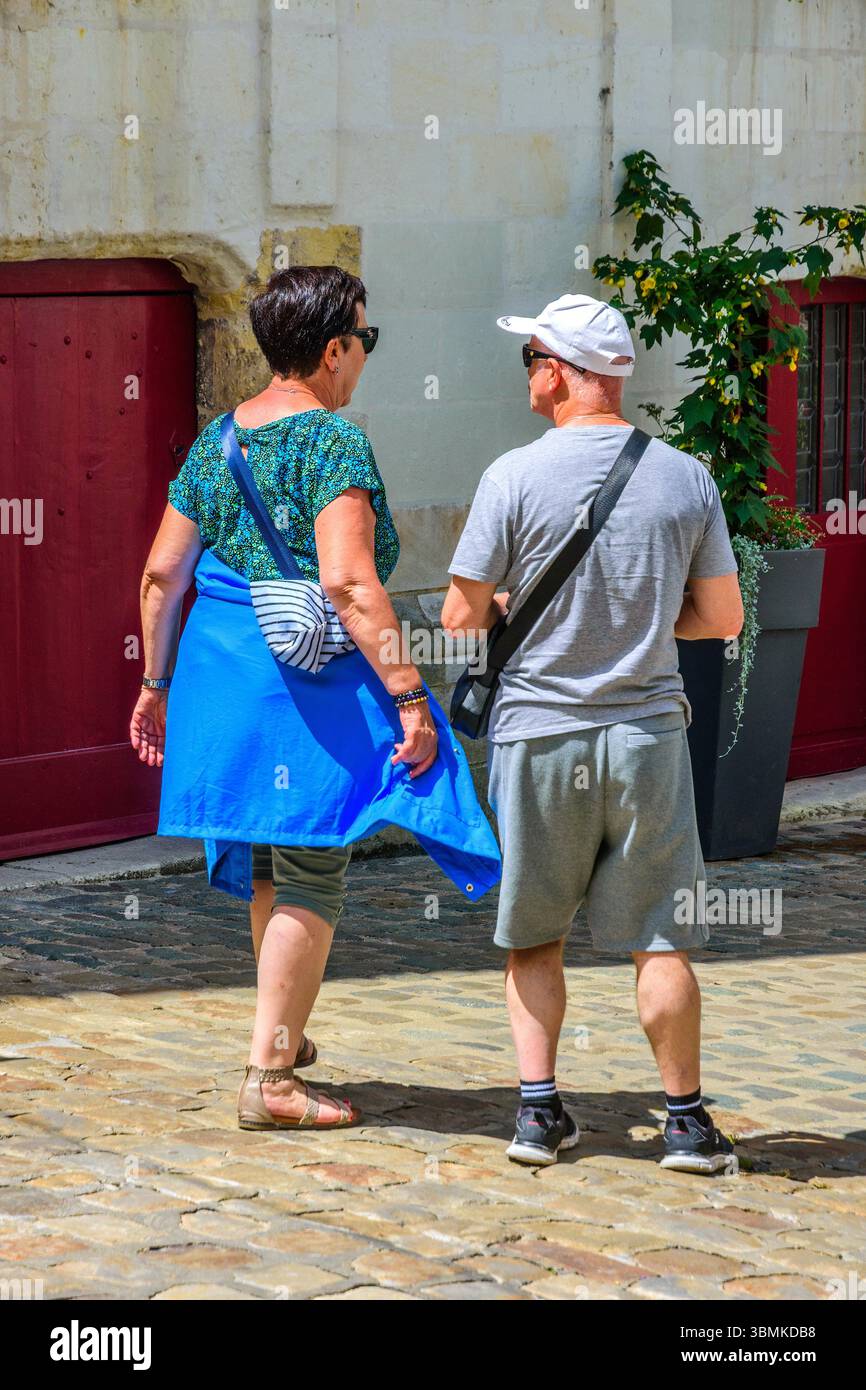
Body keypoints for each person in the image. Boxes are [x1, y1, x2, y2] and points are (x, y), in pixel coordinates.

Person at [130, 265, 501, 1133]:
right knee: (313, 867)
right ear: (333, 349)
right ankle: (270, 1081)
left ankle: (281, 1037)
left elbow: (160, 576)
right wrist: (410, 697)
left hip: (228, 677)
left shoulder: (215, 440)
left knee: (270, 857)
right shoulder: (333, 442)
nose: (364, 357)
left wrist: (155, 684)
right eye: (363, 341)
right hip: (308, 690)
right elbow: (349, 582)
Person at [441, 293, 743, 1171]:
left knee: (534, 934)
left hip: (538, 736)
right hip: (647, 735)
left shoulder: (512, 476)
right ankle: (684, 1122)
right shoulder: (684, 475)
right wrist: (645, 623)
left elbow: (461, 617)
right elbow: (721, 617)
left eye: (530, 357)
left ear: (561, 372)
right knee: (662, 936)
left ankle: (539, 1116)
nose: (527, 373)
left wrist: (504, 607)